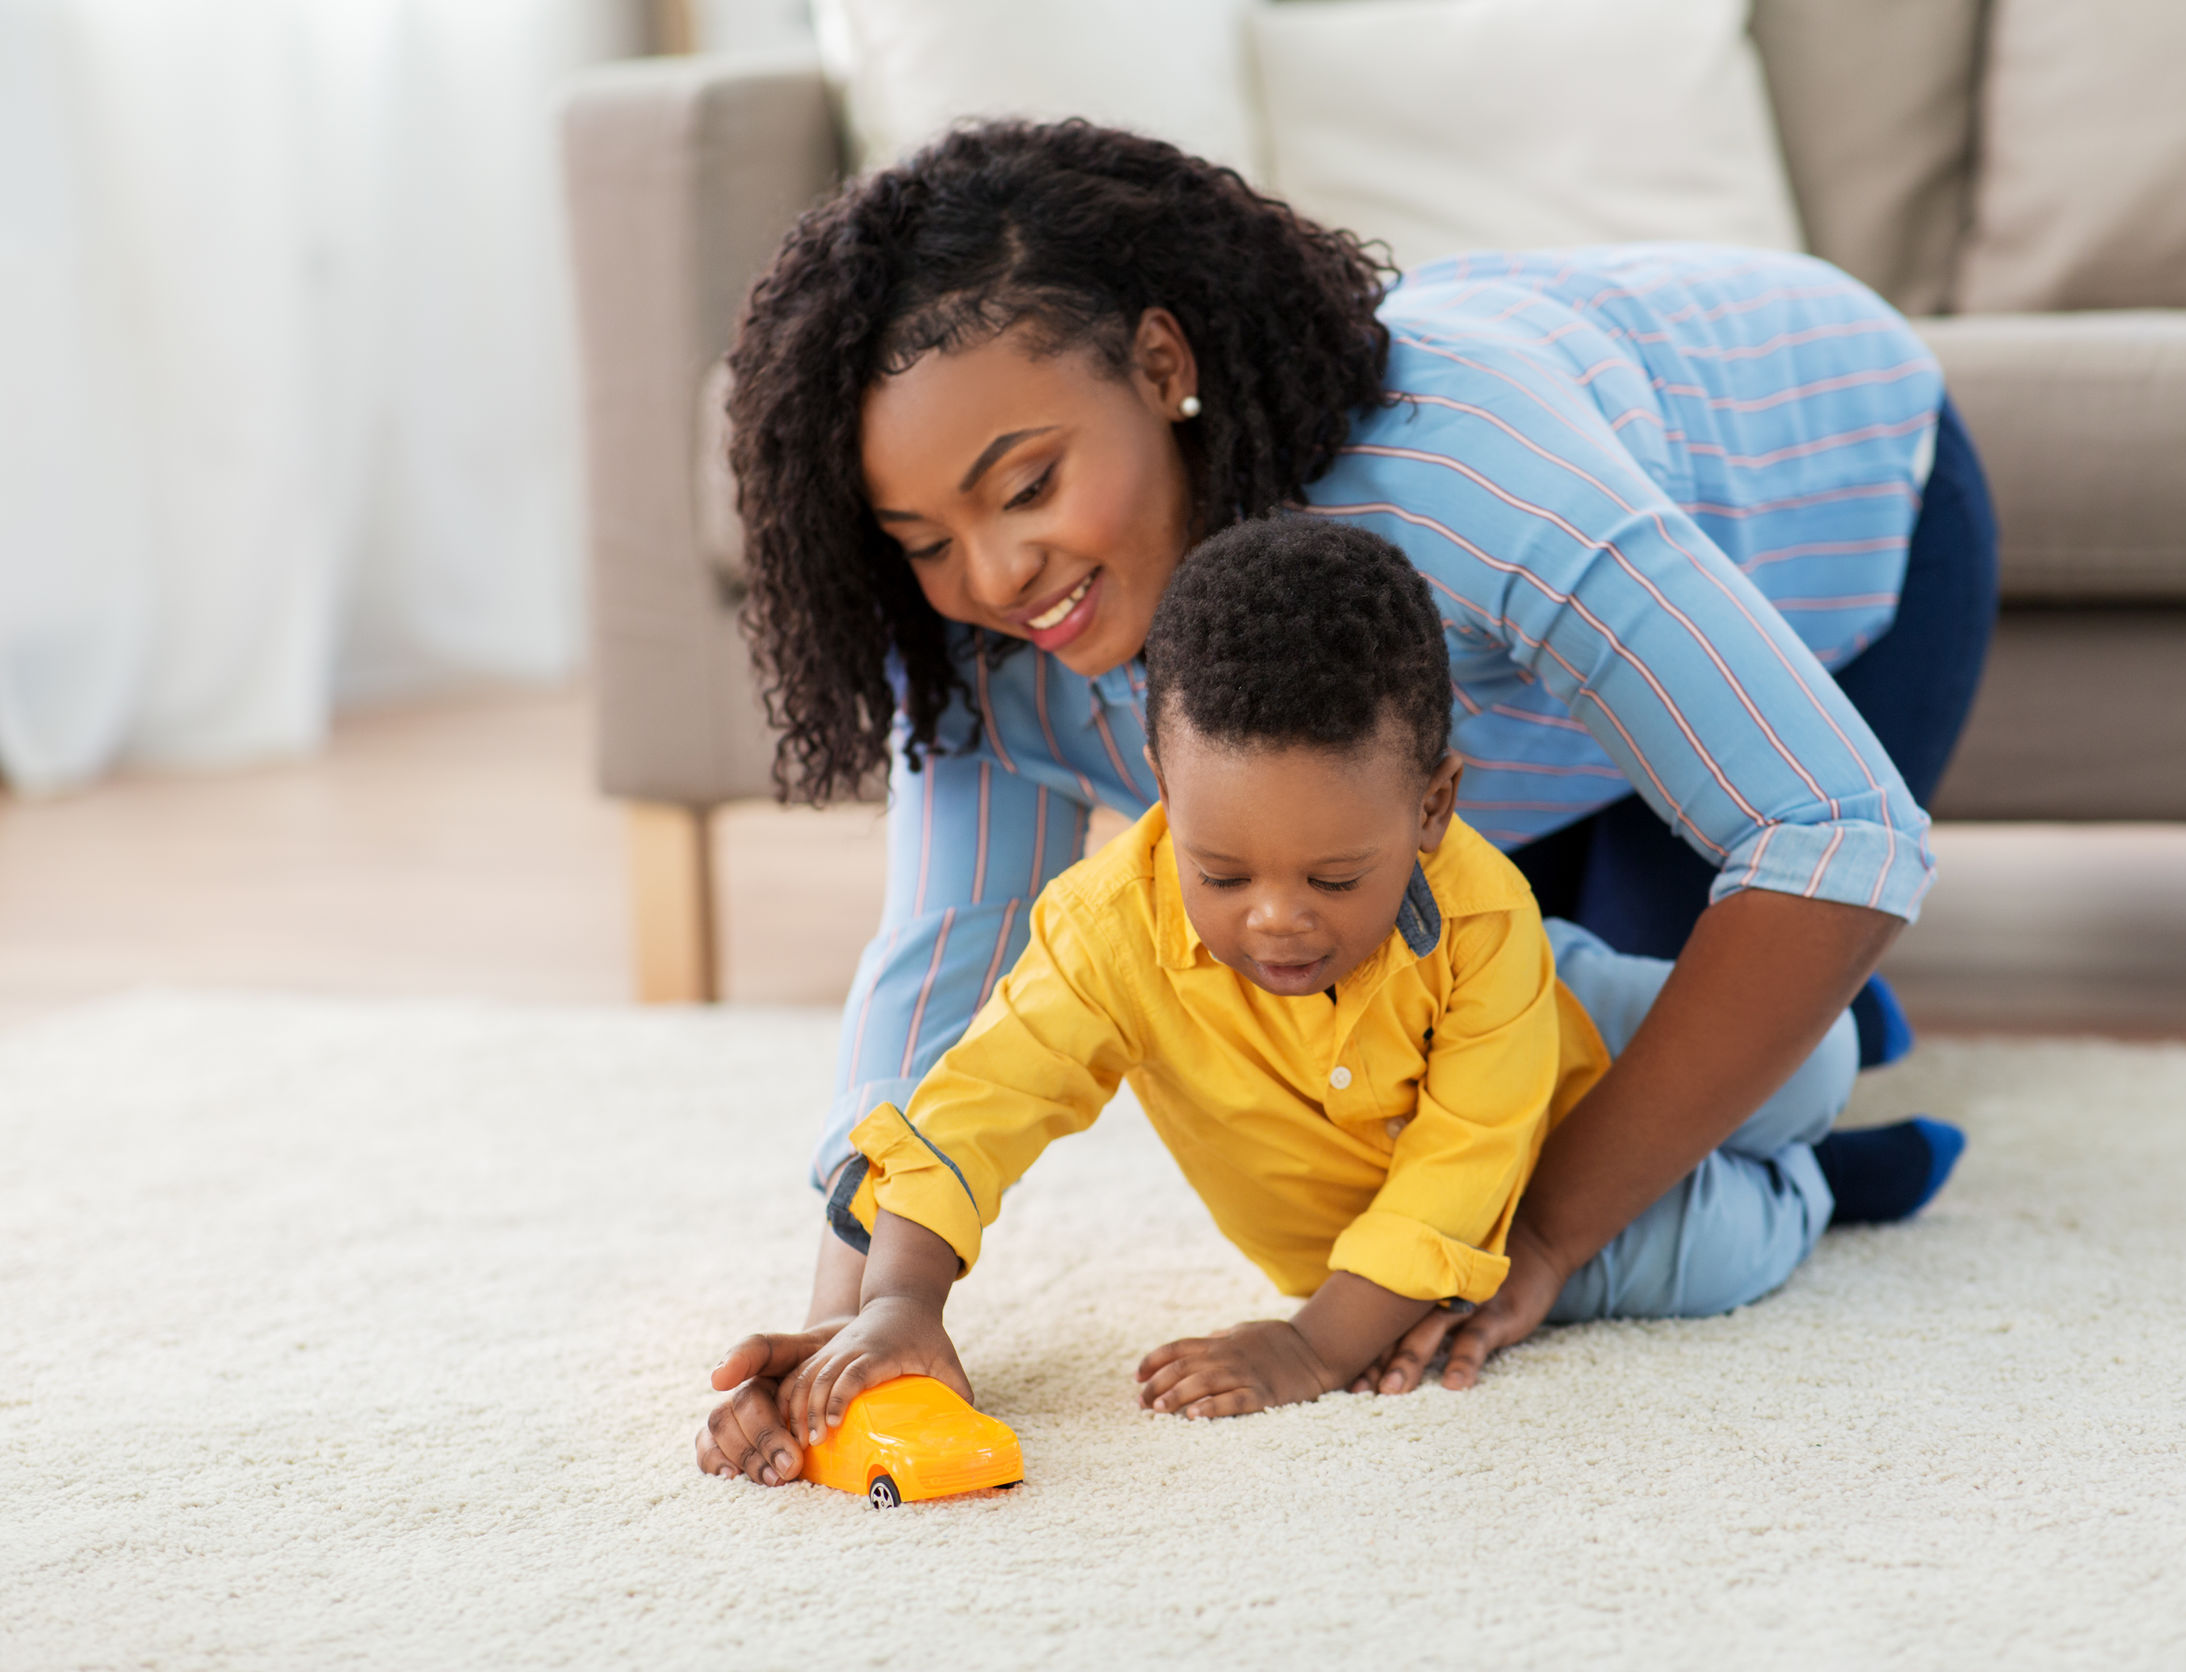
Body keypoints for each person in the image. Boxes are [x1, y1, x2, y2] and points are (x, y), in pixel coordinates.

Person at [695, 119, 1997, 1485]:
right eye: (924, 545)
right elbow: (947, 986)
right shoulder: (983, 652)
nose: (997, 573)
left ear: (1162, 367)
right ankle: (1801, 1042)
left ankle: (1833, 1047)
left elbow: (1834, 831)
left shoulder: (1458, 471)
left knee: (1678, 1021)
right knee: (1440, 1019)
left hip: (1830, 504)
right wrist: (847, 1328)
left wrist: (1538, 1240)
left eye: (1027, 486)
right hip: (1502, 749)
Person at [747, 520, 1958, 1446]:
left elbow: (1466, 1137)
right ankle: (1816, 1188)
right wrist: (902, 1293)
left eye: (1334, 877)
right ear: (1164, 790)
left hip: (1551, 1029)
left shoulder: (1482, 913)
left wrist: (1308, 1352)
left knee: (1818, 1057)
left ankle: (1787, 1114)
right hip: (1466, 1222)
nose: (1276, 918)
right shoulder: (1105, 928)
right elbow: (981, 1102)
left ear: (1433, 808)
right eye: (1221, 870)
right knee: (1720, 1250)